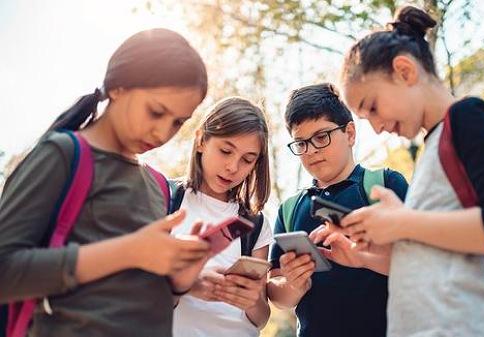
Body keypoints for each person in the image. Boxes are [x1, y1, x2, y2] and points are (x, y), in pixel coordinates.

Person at [339, 6, 484, 336]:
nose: (376, 127)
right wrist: (374, 248)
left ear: (404, 71)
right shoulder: (436, 146)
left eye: (372, 107)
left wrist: (402, 221)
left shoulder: (468, 117)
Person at [0, 28, 210, 337]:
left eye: (178, 122)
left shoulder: (158, 186)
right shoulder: (64, 155)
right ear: (118, 87)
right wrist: (130, 251)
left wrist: (178, 281)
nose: (163, 133)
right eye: (155, 112)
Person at [267, 83, 408, 337]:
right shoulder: (289, 208)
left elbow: (422, 263)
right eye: (301, 143)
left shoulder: (384, 186)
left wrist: (364, 256)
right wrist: (294, 283)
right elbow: (277, 293)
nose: (311, 151)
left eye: (321, 137)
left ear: (350, 133)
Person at [171, 97, 273, 337]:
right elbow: (135, 289)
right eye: (226, 151)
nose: (232, 167)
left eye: (247, 159)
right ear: (200, 141)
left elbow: (261, 317)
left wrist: (250, 299)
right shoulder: (166, 200)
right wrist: (185, 283)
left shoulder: (255, 224)